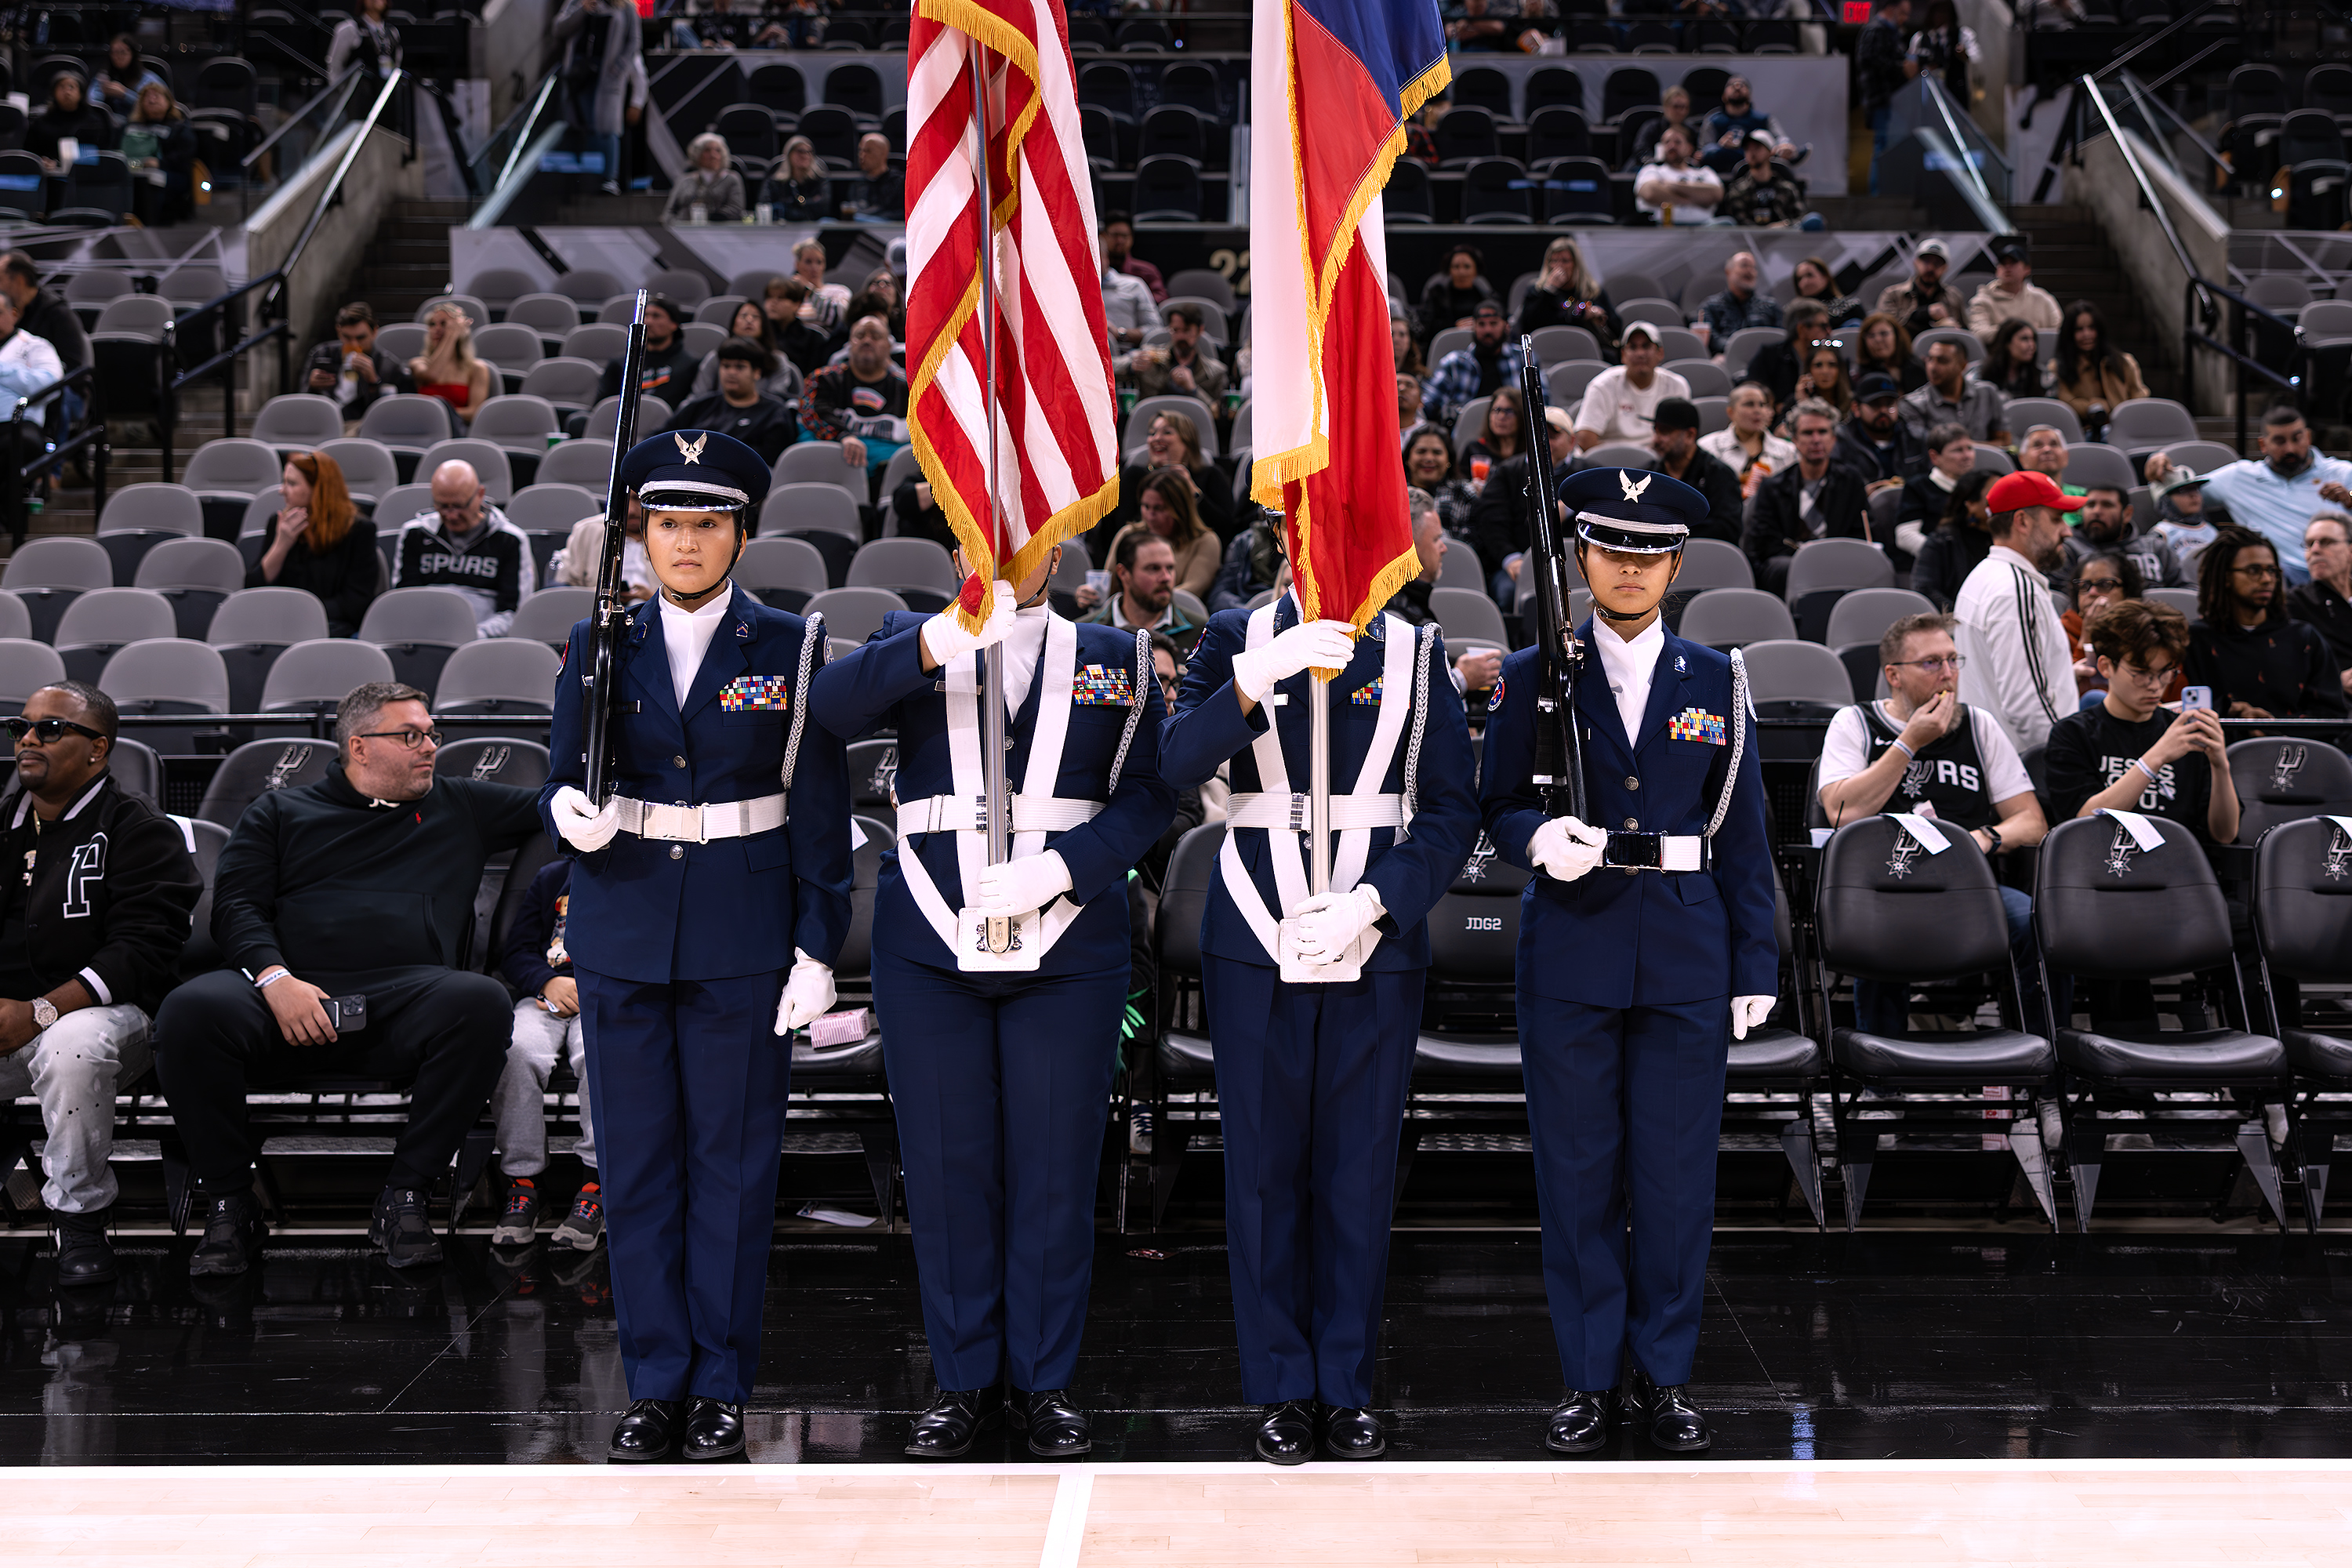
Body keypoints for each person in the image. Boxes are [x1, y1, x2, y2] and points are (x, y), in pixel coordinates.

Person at [809, 524, 1174, 1463]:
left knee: (1056, 1166)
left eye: (1030, 536)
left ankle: (1045, 1382)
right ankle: (963, 1378)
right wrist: (943, 634)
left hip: (1070, 937)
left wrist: (1068, 864)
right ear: (958, 551)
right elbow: (826, 710)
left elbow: (1149, 794)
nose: (1010, 552)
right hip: (931, 942)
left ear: (1059, 551)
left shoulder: (1119, 653)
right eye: (987, 535)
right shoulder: (909, 635)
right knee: (946, 1166)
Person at [540, 430, 852, 1463]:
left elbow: (819, 810)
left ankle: (719, 1385)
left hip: (741, 931)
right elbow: (561, 772)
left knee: (733, 1168)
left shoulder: (791, 645)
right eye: (668, 523)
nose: (685, 542)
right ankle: (654, 1384)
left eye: (706, 524)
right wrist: (566, 811)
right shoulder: (598, 641)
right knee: (635, 1169)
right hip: (624, 921)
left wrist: (817, 947)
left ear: (741, 535)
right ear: (643, 535)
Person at [1160, 517, 1479, 1467]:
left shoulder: (1415, 651)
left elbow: (1450, 809)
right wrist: (1253, 678)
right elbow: (1174, 763)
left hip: (1373, 933)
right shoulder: (1234, 635)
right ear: (1284, 536)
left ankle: (1344, 1384)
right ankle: (1278, 1387)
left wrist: (1379, 901)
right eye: (1308, 524)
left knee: (1357, 1169)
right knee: (1262, 1172)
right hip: (1255, 928)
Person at [1479, 466, 1773, 1455]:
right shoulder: (1535, 673)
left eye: (1651, 553)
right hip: (1574, 937)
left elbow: (1743, 833)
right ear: (1581, 557)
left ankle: (1666, 1375)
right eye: (1612, 549)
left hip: (1688, 946)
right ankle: (1591, 1376)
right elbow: (1495, 799)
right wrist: (1535, 837)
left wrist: (1756, 963)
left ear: (1677, 566)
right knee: (1577, 1174)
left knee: (1677, 1177)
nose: (1631, 568)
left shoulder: (1719, 678)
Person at [156, 682, 543, 1276]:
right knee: (189, 1011)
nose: (430, 748)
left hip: (405, 999)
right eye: (410, 736)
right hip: (288, 997)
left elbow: (562, 805)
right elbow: (236, 907)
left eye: (432, 734)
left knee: (481, 1001)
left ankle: (406, 1195)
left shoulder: (462, 803)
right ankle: (232, 1201)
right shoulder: (279, 812)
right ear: (359, 746)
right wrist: (275, 979)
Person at [0, 681, 202, 1287]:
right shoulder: (3, 822)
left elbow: (143, 952)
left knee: (74, 1044)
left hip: (115, 1020)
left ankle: (78, 1216)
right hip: (10, 1017)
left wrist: (38, 1012)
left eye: (50, 729)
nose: (29, 739)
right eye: (20, 727)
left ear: (97, 749)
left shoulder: (140, 827)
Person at [1815, 612, 2049, 1037]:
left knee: (2036, 919)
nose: (1948, 674)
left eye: (1953, 660)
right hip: (1885, 887)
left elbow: (2032, 822)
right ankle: (1880, 1068)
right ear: (1894, 675)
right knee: (1878, 927)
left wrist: (1986, 837)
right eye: (1931, 663)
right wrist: (1909, 742)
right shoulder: (1856, 722)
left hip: (1968, 886)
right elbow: (1842, 813)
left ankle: (2040, 1056)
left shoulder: (1978, 725)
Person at [2045, 597, 2238, 848]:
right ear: (2106, 666)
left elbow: (2225, 835)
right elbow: (2083, 824)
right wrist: (2155, 759)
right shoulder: (2072, 733)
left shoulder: (2187, 734)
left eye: (2165, 672)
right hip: (2101, 865)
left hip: (2178, 865)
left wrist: (2220, 765)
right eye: (2141, 673)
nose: (2155, 685)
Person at [488, 858, 605, 1253]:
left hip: (607, 999)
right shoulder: (553, 877)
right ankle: (525, 1184)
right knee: (515, 1051)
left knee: (601, 1055)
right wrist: (546, 980)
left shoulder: (641, 873)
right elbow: (517, 951)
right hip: (545, 998)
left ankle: (597, 1183)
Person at [2147, 408, 2352, 585]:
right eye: (2279, 441)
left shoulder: (2342, 472)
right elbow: (2182, 493)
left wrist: (2350, 498)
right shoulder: (2238, 477)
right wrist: (2158, 467)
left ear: (2308, 437)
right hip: (2277, 577)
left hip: (2338, 570)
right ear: (2263, 444)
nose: (2290, 448)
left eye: (2297, 439)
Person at [1953, 470, 2080, 753]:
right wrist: (2072, 757)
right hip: (2026, 761)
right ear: (2022, 521)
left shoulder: (1983, 575)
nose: (2067, 531)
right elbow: (2027, 706)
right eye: (2056, 519)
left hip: (1994, 754)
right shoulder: (2016, 591)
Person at [2184, 526, 2350, 720]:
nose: (2267, 579)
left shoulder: (2304, 637)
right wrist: (2231, 712)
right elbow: (2180, 710)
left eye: (2272, 570)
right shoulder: (2195, 640)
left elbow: (2331, 716)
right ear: (2225, 577)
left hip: (2298, 740)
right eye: (2254, 571)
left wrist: (2276, 730)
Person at [390, 459, 535, 637]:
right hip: (422, 636)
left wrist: (473, 636)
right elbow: (404, 601)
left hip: (482, 641)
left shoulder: (510, 540)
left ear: (480, 494)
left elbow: (514, 613)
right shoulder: (415, 534)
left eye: (459, 506)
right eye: (442, 506)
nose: (451, 515)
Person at [1744, 398, 1874, 593]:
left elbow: (1861, 533)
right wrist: (1808, 558)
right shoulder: (1773, 487)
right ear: (1794, 440)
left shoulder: (1851, 481)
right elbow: (1764, 543)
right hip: (1790, 565)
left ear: (1833, 439)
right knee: (1783, 568)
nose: (1816, 439)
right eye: (1807, 433)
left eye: (1822, 432)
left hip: (1839, 561)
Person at [249, 452, 383, 637]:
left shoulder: (359, 531)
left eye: (291, 483)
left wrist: (302, 615)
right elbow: (253, 590)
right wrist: (281, 544)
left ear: (319, 489)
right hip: (280, 626)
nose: (282, 491)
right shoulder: (279, 523)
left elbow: (356, 602)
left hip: (332, 628)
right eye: (283, 482)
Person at [1469, 404, 1578, 611]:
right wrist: (1510, 559)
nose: (1545, 443)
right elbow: (1491, 520)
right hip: (1520, 562)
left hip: (1576, 566)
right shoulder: (1508, 471)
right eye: (1539, 436)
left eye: (1553, 436)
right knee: (1507, 593)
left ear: (1571, 441)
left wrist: (1570, 504)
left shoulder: (1586, 473)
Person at [800, 314, 909, 498]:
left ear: (889, 346)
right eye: (860, 335)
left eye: (876, 336)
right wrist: (843, 436)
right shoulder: (822, 378)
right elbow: (810, 414)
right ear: (849, 344)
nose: (867, 340)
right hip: (831, 468)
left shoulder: (908, 388)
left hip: (888, 477)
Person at [659, 337, 799, 465]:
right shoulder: (700, 406)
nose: (731, 372)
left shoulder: (774, 413)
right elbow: (661, 438)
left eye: (740, 367)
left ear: (756, 372)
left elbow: (772, 461)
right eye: (726, 366)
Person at [1106, 409, 1233, 545]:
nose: (1156, 439)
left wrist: (1193, 491)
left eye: (1167, 433)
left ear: (1188, 441)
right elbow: (1117, 528)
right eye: (1152, 433)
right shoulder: (1135, 476)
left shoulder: (1211, 475)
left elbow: (1226, 530)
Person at [554, 0, 641, 196]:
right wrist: (582, 10)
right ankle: (577, 179)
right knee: (576, 124)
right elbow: (559, 29)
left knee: (606, 128)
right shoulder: (577, 2)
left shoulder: (626, 8)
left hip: (607, 78)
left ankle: (608, 178)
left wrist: (618, 68)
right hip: (578, 75)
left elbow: (634, 42)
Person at [1080, 530, 1203, 653]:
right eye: (1154, 568)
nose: (1166, 577)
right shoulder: (1084, 633)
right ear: (1123, 573)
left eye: (1170, 568)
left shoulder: (1201, 633)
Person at [1573, 321, 1690, 451]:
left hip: (1659, 457)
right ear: (1623, 355)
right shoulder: (1603, 385)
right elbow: (1585, 440)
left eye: (1646, 346)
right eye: (1633, 347)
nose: (1640, 354)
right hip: (1611, 459)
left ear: (1660, 353)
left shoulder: (1676, 385)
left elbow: (1684, 438)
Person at [1107, 467, 1220, 600]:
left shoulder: (1205, 541)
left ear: (1180, 510)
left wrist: (1145, 600)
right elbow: (1108, 583)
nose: (1150, 516)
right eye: (1146, 506)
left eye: (1159, 508)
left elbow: (1192, 590)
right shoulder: (1128, 534)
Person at [303, 302, 412, 434]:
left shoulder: (389, 366)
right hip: (323, 423)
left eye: (361, 338)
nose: (354, 345)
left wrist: (373, 383)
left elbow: (391, 416)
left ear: (374, 332)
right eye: (347, 337)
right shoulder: (322, 354)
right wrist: (312, 387)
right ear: (338, 331)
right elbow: (301, 400)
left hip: (364, 426)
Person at [1646, 397, 1744, 544]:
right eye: (1656, 431)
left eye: (1665, 432)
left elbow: (1728, 528)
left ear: (1690, 435)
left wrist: (1675, 535)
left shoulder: (1719, 474)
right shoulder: (1649, 474)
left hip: (1704, 554)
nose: (1656, 439)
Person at [1421, 299, 1530, 429]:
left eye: (1494, 323)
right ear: (1473, 327)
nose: (1487, 330)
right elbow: (1429, 403)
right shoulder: (1454, 362)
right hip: (1465, 432)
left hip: (1516, 431)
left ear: (1506, 326)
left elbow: (1541, 402)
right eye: (1481, 324)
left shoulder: (1523, 359)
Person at [2048, 301, 2147, 440]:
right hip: (2081, 432)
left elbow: (2139, 395)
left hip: (2125, 430)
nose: (2087, 334)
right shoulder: (2057, 367)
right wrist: (2095, 406)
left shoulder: (2124, 362)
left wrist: (2123, 414)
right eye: (2079, 330)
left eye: (2091, 328)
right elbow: (2065, 402)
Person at [2062, 483, 2184, 595]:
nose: (2097, 511)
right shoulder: (2068, 550)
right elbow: (2061, 597)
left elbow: (2185, 591)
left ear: (2127, 514)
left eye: (2107, 505)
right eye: (2090, 505)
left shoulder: (2155, 548)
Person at [687, 299, 802, 407]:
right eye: (744, 316)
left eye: (755, 317)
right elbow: (699, 396)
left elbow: (776, 398)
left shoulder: (776, 360)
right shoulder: (716, 357)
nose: (749, 320)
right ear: (733, 324)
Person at [1911, 469, 1996, 612]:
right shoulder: (1943, 541)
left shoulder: (2011, 538)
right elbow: (1925, 588)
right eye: (1993, 496)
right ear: (1970, 504)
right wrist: (1961, 615)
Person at [2287, 513, 2352, 698]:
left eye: (2326, 542)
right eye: (2309, 544)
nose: (2315, 550)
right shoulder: (2294, 603)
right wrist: (2335, 680)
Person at [2063, 549, 2144, 698]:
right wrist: (2087, 637)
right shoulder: (2063, 629)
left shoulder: (2145, 629)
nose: (2092, 592)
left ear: (2127, 592)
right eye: (2084, 586)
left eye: (2104, 584)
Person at [0, 254, 91, 384]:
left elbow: (73, 367)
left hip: (50, 389)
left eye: (0, 280)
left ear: (19, 281)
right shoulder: (10, 311)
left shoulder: (58, 314)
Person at [1901, 336, 2009, 445]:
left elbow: (2005, 441)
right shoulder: (1913, 404)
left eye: (1942, 361)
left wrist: (1966, 448)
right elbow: (1926, 448)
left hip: (1986, 457)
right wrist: (1970, 448)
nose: (1933, 367)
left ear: (1963, 366)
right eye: (1929, 359)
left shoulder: (1987, 393)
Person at [1118, 300, 1228, 406]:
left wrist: (1193, 389)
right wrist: (1131, 368)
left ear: (1200, 330)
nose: (1180, 336)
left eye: (1187, 330)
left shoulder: (1215, 372)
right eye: (1175, 330)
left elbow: (1217, 412)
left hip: (1193, 418)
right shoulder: (1149, 355)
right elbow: (1111, 369)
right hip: (1153, 416)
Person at [1835, 372, 1929, 494]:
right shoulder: (1841, 441)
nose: (1884, 410)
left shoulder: (1915, 437)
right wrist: (1860, 494)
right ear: (1856, 408)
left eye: (1889, 404)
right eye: (1875, 404)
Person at [1701, 381, 1797, 500]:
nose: (1757, 410)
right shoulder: (1708, 447)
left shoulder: (1788, 451)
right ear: (1731, 412)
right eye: (1749, 404)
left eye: (1762, 405)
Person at [551, 492, 656, 599]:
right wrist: (603, 596)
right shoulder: (587, 530)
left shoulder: (666, 533)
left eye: (638, 500)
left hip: (655, 608)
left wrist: (650, 598)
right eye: (622, 500)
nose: (631, 511)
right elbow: (566, 588)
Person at [1894, 423, 1977, 559]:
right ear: (1934, 457)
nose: (1967, 456)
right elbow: (1906, 536)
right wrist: (1942, 555)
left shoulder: (1980, 485)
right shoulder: (1918, 487)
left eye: (1969, 448)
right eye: (1958, 450)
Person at [407, 302, 495, 429]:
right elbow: (432, 375)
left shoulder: (477, 368)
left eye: (444, 324)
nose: (437, 329)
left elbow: (474, 412)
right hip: (423, 426)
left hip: (458, 429)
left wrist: (452, 336)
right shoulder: (419, 363)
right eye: (432, 324)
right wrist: (451, 336)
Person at [1514, 235, 1617, 343]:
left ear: (1576, 264)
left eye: (1565, 261)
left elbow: (1616, 328)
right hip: (1547, 345)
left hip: (1582, 346)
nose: (1559, 266)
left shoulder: (1592, 292)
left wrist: (1600, 318)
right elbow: (1527, 327)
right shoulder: (1537, 292)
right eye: (1554, 261)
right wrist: (1549, 290)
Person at [597, 294, 696, 405]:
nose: (648, 322)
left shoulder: (689, 365)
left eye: (656, 316)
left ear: (674, 324)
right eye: (646, 316)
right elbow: (602, 406)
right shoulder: (621, 364)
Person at [122, 82, 197, 226]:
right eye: (147, 97)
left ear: (169, 101)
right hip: (132, 170)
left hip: (170, 172)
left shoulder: (179, 128)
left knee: (153, 180)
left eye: (156, 96)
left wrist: (160, 163)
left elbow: (185, 154)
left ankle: (152, 225)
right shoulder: (129, 127)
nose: (152, 100)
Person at [1966, 239, 2062, 341]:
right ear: (1997, 270)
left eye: (2013, 263)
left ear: (2027, 269)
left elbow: (2060, 328)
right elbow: (1979, 333)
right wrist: (2016, 332)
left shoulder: (2042, 298)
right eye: (2003, 263)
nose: (2007, 268)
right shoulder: (1982, 301)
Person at [1741, 300, 1827, 413]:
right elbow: (1756, 397)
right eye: (1823, 326)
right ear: (1802, 329)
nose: (1829, 331)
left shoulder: (1828, 358)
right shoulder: (1769, 357)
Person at [1718, 132, 1810, 230]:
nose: (1752, 153)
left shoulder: (1787, 188)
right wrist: (1766, 230)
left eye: (1757, 148)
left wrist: (1785, 225)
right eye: (1748, 149)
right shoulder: (1738, 190)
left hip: (1786, 235)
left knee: (1813, 220)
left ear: (1770, 151)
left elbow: (1800, 217)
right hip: (1750, 237)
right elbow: (1739, 222)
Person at [1874, 238, 1966, 336]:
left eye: (1937, 263)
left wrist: (1953, 328)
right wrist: (1925, 313)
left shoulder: (1954, 297)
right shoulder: (1892, 295)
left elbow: (1967, 332)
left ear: (1945, 268)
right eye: (1926, 261)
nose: (1930, 268)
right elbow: (1882, 333)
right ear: (1916, 262)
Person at [1634, 125, 1722, 227]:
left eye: (1677, 142)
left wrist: (1672, 186)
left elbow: (1716, 194)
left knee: (1727, 223)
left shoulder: (1704, 172)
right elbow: (1650, 192)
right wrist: (1690, 199)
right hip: (1660, 227)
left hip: (1705, 228)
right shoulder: (1652, 170)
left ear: (1689, 148)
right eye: (1667, 142)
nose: (1672, 146)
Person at [25, 74, 117, 170]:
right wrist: (43, 163)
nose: (67, 92)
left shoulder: (95, 121)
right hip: (51, 173)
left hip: (90, 171)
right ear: (53, 92)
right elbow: (32, 154)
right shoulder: (42, 122)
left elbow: (105, 150)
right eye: (62, 87)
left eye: (71, 87)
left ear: (81, 93)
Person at [1406, 423, 1479, 539]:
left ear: (1449, 459)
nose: (1429, 458)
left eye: (1437, 452)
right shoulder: (1394, 495)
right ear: (1407, 458)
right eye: (1421, 451)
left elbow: (1472, 542)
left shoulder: (1464, 494)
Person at [1210, 506, 1287, 613]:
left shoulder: (1300, 547)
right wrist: (1249, 613)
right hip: (1245, 608)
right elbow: (1219, 595)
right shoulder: (1244, 542)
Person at [1417, 245, 1500, 343]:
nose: (1461, 272)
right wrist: (1454, 328)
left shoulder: (1487, 296)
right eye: (1456, 267)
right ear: (1449, 270)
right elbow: (1427, 329)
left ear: (1476, 270)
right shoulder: (1437, 295)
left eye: (1467, 267)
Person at [1698, 252, 1783, 347]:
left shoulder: (1771, 306)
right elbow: (1708, 339)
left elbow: (1783, 338)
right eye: (1744, 265)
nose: (1750, 271)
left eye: (1753, 267)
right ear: (1728, 272)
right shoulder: (1710, 307)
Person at [1702, 76, 1796, 160]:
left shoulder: (1763, 119)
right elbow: (1703, 150)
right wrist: (1720, 147)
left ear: (1750, 95)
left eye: (1743, 85)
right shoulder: (1713, 121)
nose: (1737, 86)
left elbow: (1782, 139)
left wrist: (1784, 146)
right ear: (1723, 96)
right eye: (1731, 85)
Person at [663, 132, 746, 223]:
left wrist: (709, 219)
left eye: (718, 151)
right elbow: (669, 211)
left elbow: (735, 209)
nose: (713, 155)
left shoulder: (731, 179)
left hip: (718, 228)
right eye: (707, 150)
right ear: (697, 154)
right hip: (683, 227)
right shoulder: (684, 180)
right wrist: (674, 224)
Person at [1908, 0, 1980, 102]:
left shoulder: (1962, 35)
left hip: (1954, 92)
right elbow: (1910, 64)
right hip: (1926, 92)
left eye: (1944, 11)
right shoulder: (1920, 38)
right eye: (1937, 11)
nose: (1940, 15)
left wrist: (1963, 55)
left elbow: (1976, 60)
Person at [2151, 465, 2218, 568]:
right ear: (2165, 500)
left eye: (2195, 489)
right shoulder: (2161, 534)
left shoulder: (2212, 531)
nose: (2193, 495)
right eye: (2182, 491)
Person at [1458, 383, 1527, 482]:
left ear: (1521, 415)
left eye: (1509, 411)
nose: (1501, 417)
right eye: (1496, 410)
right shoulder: (1475, 449)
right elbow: (1461, 482)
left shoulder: (1530, 454)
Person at [1100, 242, 1158, 354]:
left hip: (1127, 355)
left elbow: (1155, 329)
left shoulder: (1133, 286)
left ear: (1106, 257)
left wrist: (1120, 333)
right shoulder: (1073, 290)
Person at [1977, 317, 2049, 402]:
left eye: (2033, 339)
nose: (2032, 345)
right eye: (2024, 339)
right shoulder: (1981, 374)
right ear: (2007, 343)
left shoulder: (2040, 376)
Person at [1100, 211, 1166, 303]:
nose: (1120, 241)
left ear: (1132, 238)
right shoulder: (1095, 272)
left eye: (1124, 236)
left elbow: (1161, 298)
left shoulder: (1148, 272)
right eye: (1115, 235)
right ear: (1103, 236)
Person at [326, 0, 403, 78]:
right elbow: (335, 66)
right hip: (357, 84)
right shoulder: (351, 29)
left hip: (386, 83)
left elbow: (397, 64)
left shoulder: (392, 32)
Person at [790, 239, 852, 335]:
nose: (814, 267)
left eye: (819, 262)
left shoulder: (839, 291)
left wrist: (810, 290)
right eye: (808, 262)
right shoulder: (790, 294)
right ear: (797, 265)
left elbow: (836, 318)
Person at [1855, 310, 1926, 394]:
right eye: (1871, 335)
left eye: (1884, 334)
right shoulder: (1863, 375)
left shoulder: (1916, 368)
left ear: (1897, 336)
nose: (1878, 340)